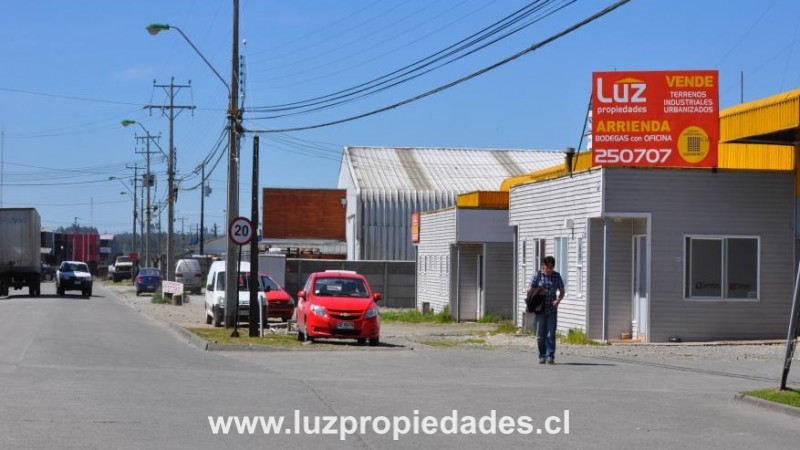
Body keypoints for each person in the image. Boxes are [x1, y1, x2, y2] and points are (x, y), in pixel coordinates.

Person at [528, 255, 565, 364]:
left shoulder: (556, 276)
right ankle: (542, 355)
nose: (549, 270)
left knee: (550, 334)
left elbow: (562, 290)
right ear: (543, 266)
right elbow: (529, 289)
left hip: (552, 309)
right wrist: (539, 291)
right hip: (540, 309)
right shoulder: (537, 275)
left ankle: (550, 355)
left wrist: (558, 300)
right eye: (547, 267)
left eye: (551, 267)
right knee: (540, 335)